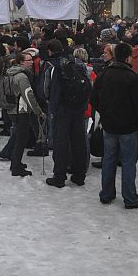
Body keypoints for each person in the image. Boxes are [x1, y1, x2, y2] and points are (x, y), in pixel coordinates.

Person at [91, 42, 138, 208]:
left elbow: (94, 99)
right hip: (129, 126)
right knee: (128, 162)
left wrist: (105, 112)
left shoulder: (104, 74)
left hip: (109, 124)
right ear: (129, 56)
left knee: (109, 159)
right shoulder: (132, 77)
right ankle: (130, 197)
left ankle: (106, 193)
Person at [45, 40, 91, 188]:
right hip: (78, 107)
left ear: (50, 51)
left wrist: (52, 105)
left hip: (61, 109)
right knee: (79, 141)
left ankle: (59, 176)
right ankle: (79, 175)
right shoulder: (77, 63)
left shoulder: (53, 67)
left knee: (60, 142)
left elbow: (46, 90)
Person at [4, 51, 46, 177]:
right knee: (21, 139)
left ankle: (15, 162)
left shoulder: (11, 72)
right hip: (21, 110)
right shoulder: (22, 76)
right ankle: (16, 166)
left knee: (19, 137)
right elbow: (28, 95)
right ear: (21, 62)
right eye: (28, 60)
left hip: (13, 109)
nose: (31, 62)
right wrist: (38, 111)